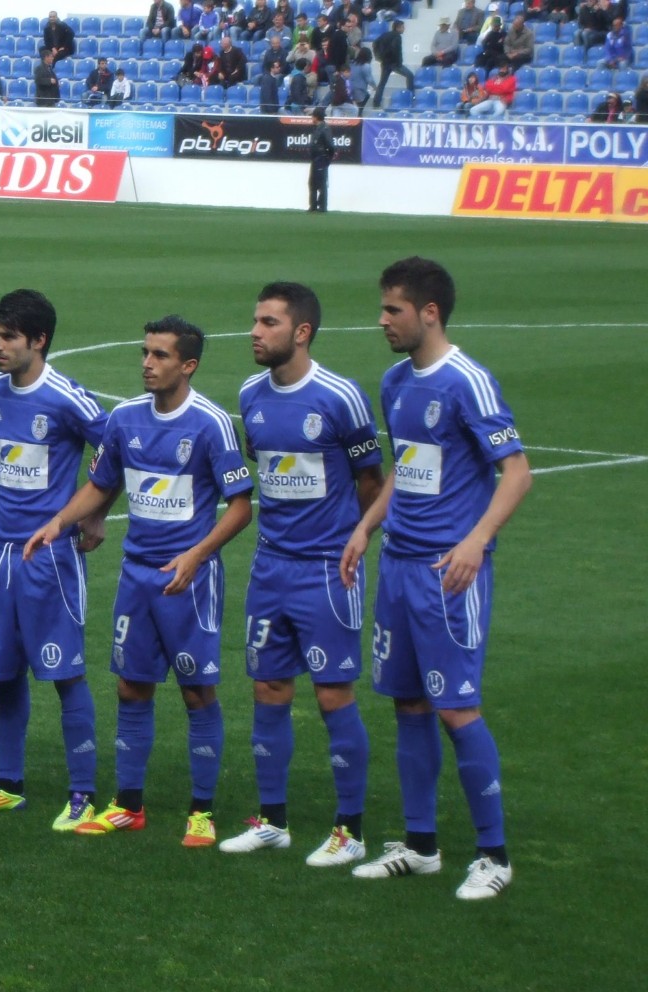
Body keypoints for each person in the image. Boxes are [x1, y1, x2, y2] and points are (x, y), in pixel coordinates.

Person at [341, 257, 531, 901]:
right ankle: (420, 846)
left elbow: (517, 472)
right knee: (409, 704)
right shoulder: (396, 382)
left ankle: (494, 856)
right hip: (397, 566)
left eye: (392, 309)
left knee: (456, 706)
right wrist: (368, 525)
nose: (382, 320)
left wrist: (476, 540)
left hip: (447, 574)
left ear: (429, 313)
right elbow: (407, 466)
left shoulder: (467, 382)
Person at [25, 316, 253, 847]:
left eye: (160, 355)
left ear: (188, 365)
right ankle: (129, 805)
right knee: (131, 687)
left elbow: (241, 507)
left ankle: (202, 812)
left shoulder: (211, 423)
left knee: (198, 693)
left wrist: (197, 556)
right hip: (137, 576)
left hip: (188, 581)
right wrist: (58, 523)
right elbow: (100, 485)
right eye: (145, 353)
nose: (147, 363)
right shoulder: (124, 419)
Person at [226, 282, 383, 862]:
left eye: (268, 322)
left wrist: (357, 539)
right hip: (270, 567)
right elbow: (264, 460)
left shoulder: (340, 397)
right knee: (268, 687)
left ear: (301, 332)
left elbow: (372, 478)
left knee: (332, 694)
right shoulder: (250, 393)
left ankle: (350, 830)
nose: (255, 331)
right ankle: (272, 820)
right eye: (255, 320)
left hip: (326, 571)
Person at [0, 290, 106, 828]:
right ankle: (8, 783)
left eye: (8, 337)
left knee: (65, 674)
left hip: (50, 556)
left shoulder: (66, 396)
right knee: (4, 672)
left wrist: (94, 511)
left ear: (38, 341)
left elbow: (112, 445)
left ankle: (83, 792)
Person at [373, 19, 414, 108]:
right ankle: (410, 98)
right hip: (395, 63)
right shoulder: (397, 37)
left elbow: (375, 43)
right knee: (410, 75)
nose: (404, 29)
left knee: (382, 83)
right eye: (402, 27)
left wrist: (378, 56)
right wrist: (399, 63)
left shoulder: (385, 34)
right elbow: (396, 51)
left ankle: (376, 103)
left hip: (385, 63)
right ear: (398, 28)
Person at [308, 105, 334, 211]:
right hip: (315, 159)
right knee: (312, 182)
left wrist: (328, 158)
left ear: (316, 117)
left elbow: (331, 146)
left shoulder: (324, 129)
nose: (311, 118)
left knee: (322, 183)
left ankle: (322, 206)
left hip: (321, 158)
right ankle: (313, 205)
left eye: (312, 116)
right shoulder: (319, 128)